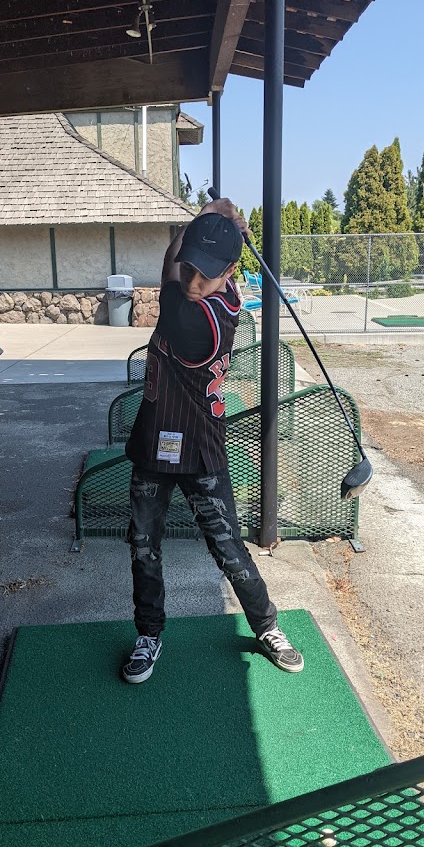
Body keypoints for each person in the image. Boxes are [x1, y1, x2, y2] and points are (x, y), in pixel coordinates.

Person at [121, 198, 304, 684]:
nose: (192, 280)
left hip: (199, 450)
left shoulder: (202, 318)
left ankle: (266, 627)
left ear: (229, 273)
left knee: (228, 549)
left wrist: (203, 220)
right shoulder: (204, 288)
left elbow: (166, 268)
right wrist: (204, 222)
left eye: (206, 274)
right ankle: (149, 634)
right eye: (190, 269)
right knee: (143, 544)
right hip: (152, 446)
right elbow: (174, 264)